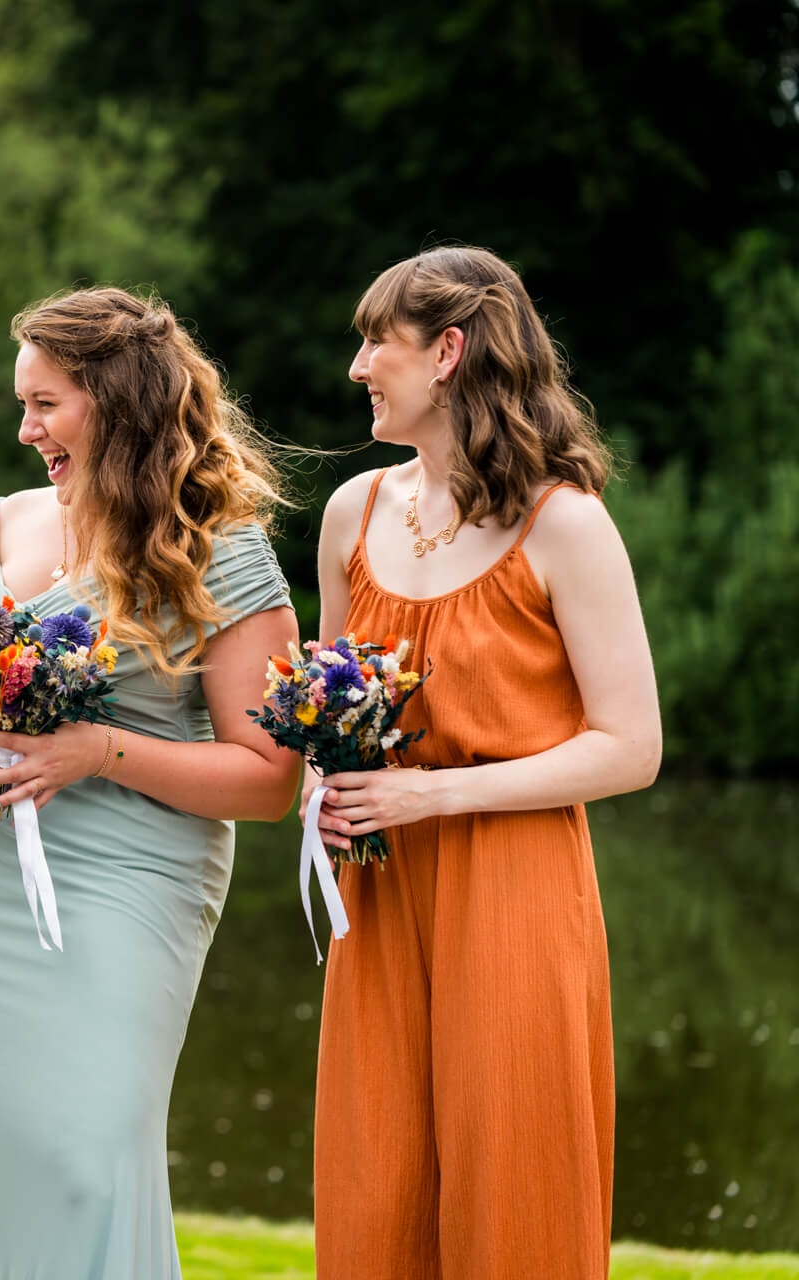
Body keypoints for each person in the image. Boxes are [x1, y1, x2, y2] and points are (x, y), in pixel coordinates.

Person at [0, 287, 301, 1279]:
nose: (26, 429)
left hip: (130, 880)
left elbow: (268, 775)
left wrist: (100, 750)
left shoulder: (221, 550)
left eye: (45, 404)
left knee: (83, 1156)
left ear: (114, 402)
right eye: (23, 404)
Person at [306, 245, 660, 1280]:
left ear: (450, 350)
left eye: (379, 340)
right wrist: (327, 793)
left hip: (515, 885)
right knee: (378, 1181)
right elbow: (335, 712)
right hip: (380, 896)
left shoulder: (567, 524)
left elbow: (630, 746)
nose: (358, 364)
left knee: (515, 1176)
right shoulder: (352, 516)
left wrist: (434, 791)